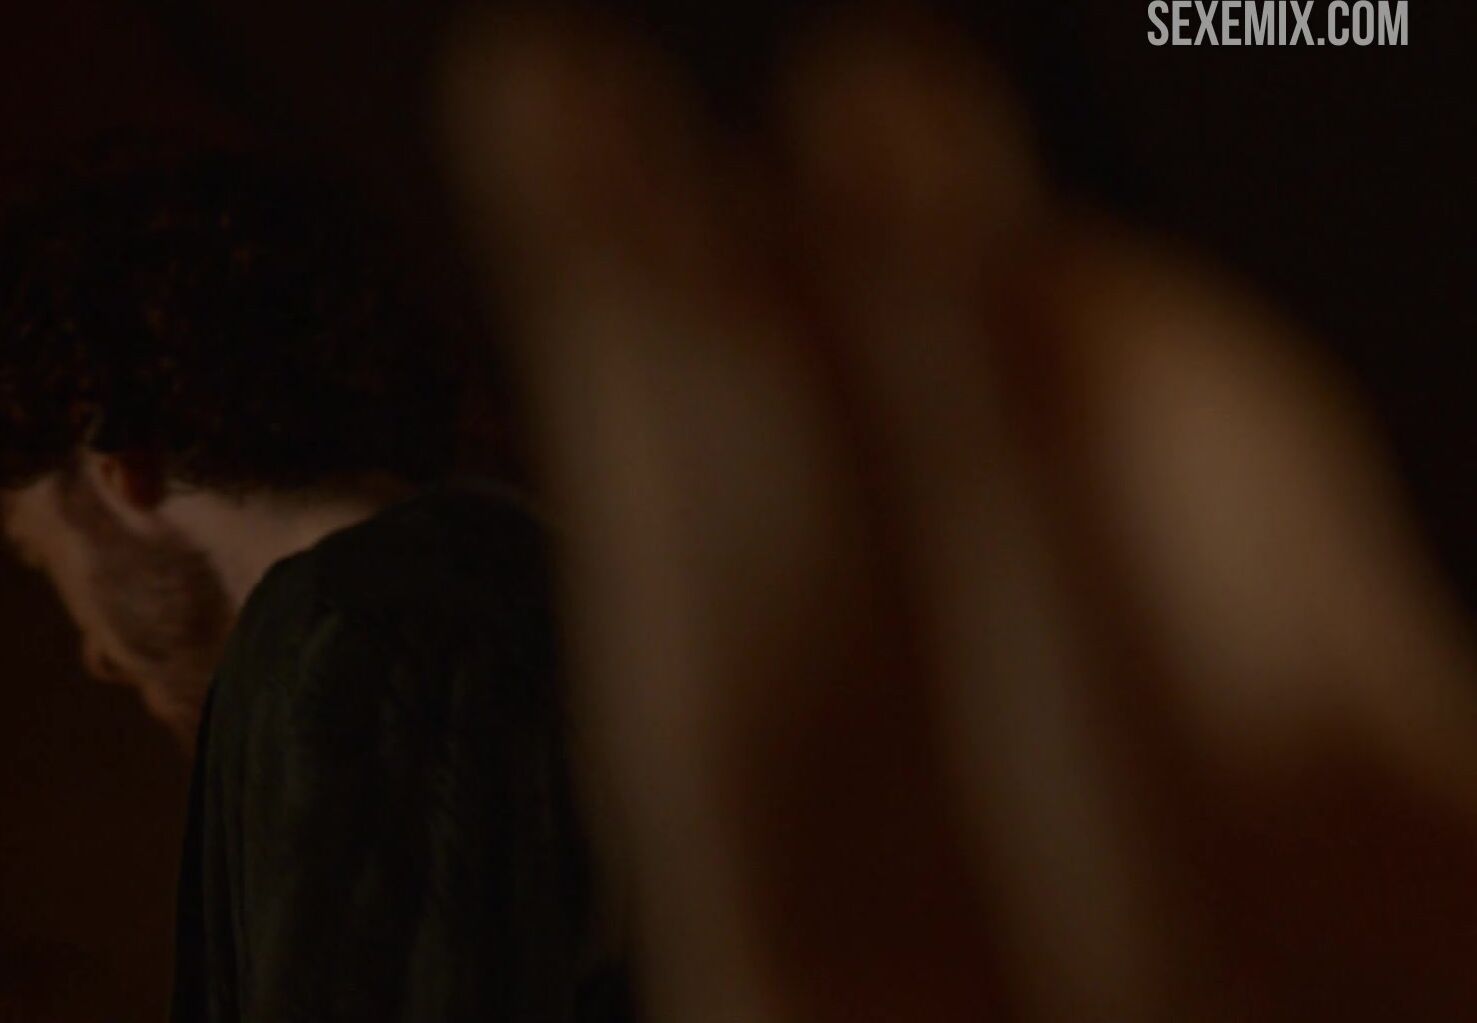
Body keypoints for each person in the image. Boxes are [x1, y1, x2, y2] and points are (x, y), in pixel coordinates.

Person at [0, 155, 630, 1021]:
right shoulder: (532, 568)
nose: (94, 652)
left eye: (41, 553)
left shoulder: (354, 633)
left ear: (120, 473)